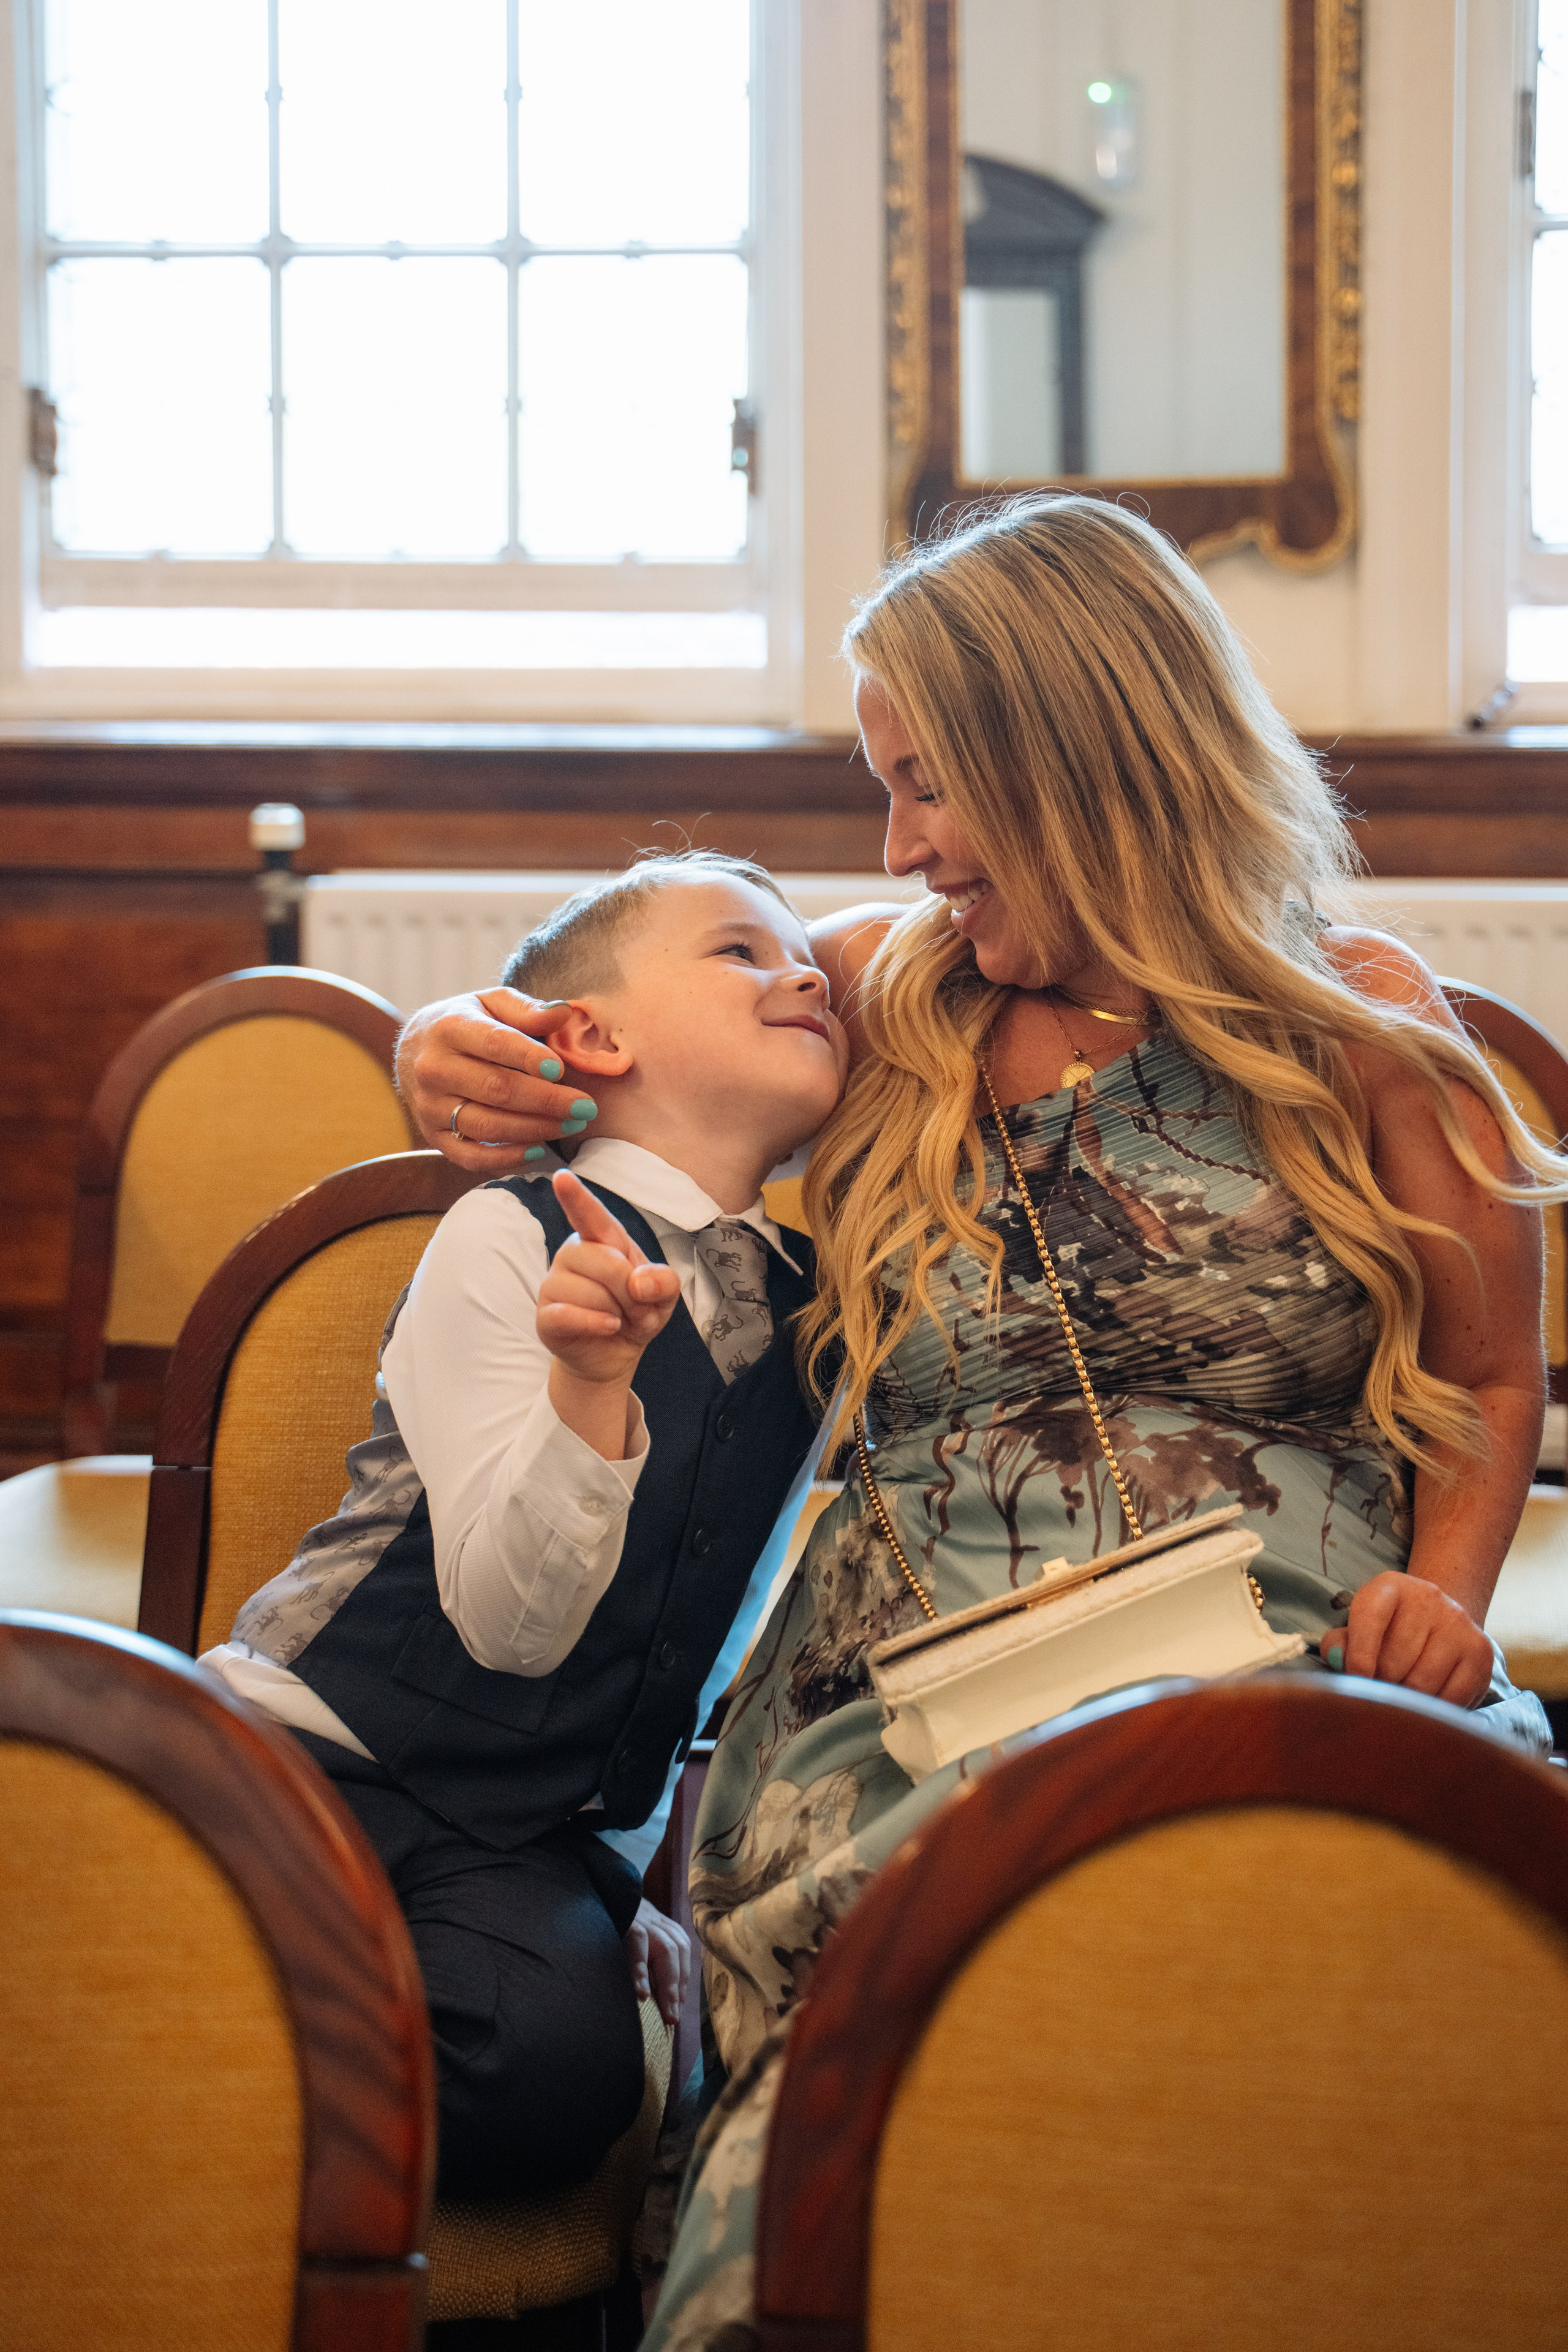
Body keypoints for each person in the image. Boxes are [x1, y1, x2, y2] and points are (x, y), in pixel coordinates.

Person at [397, 495, 1566, 2344]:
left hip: (1302, 1649)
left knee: (1367, 2006)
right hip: (920, 1701)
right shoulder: (881, 994)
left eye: (927, 784)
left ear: (1073, 751)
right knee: (935, 2037)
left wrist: (1446, 1593)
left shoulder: (1357, 1025)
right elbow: (598, 1037)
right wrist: (452, 1045)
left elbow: (1493, 1376)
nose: (899, 845)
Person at [201, 849, 847, 2202]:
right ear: (592, 1038)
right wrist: (589, 1392)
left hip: (521, 1836)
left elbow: (705, 1634)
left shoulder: (813, 1308)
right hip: (315, 1756)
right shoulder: (502, 1236)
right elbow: (507, 1626)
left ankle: (226, 2016)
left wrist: (621, 1879)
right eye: (740, 950)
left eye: (808, 964)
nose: (804, 977)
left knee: (558, 2074)